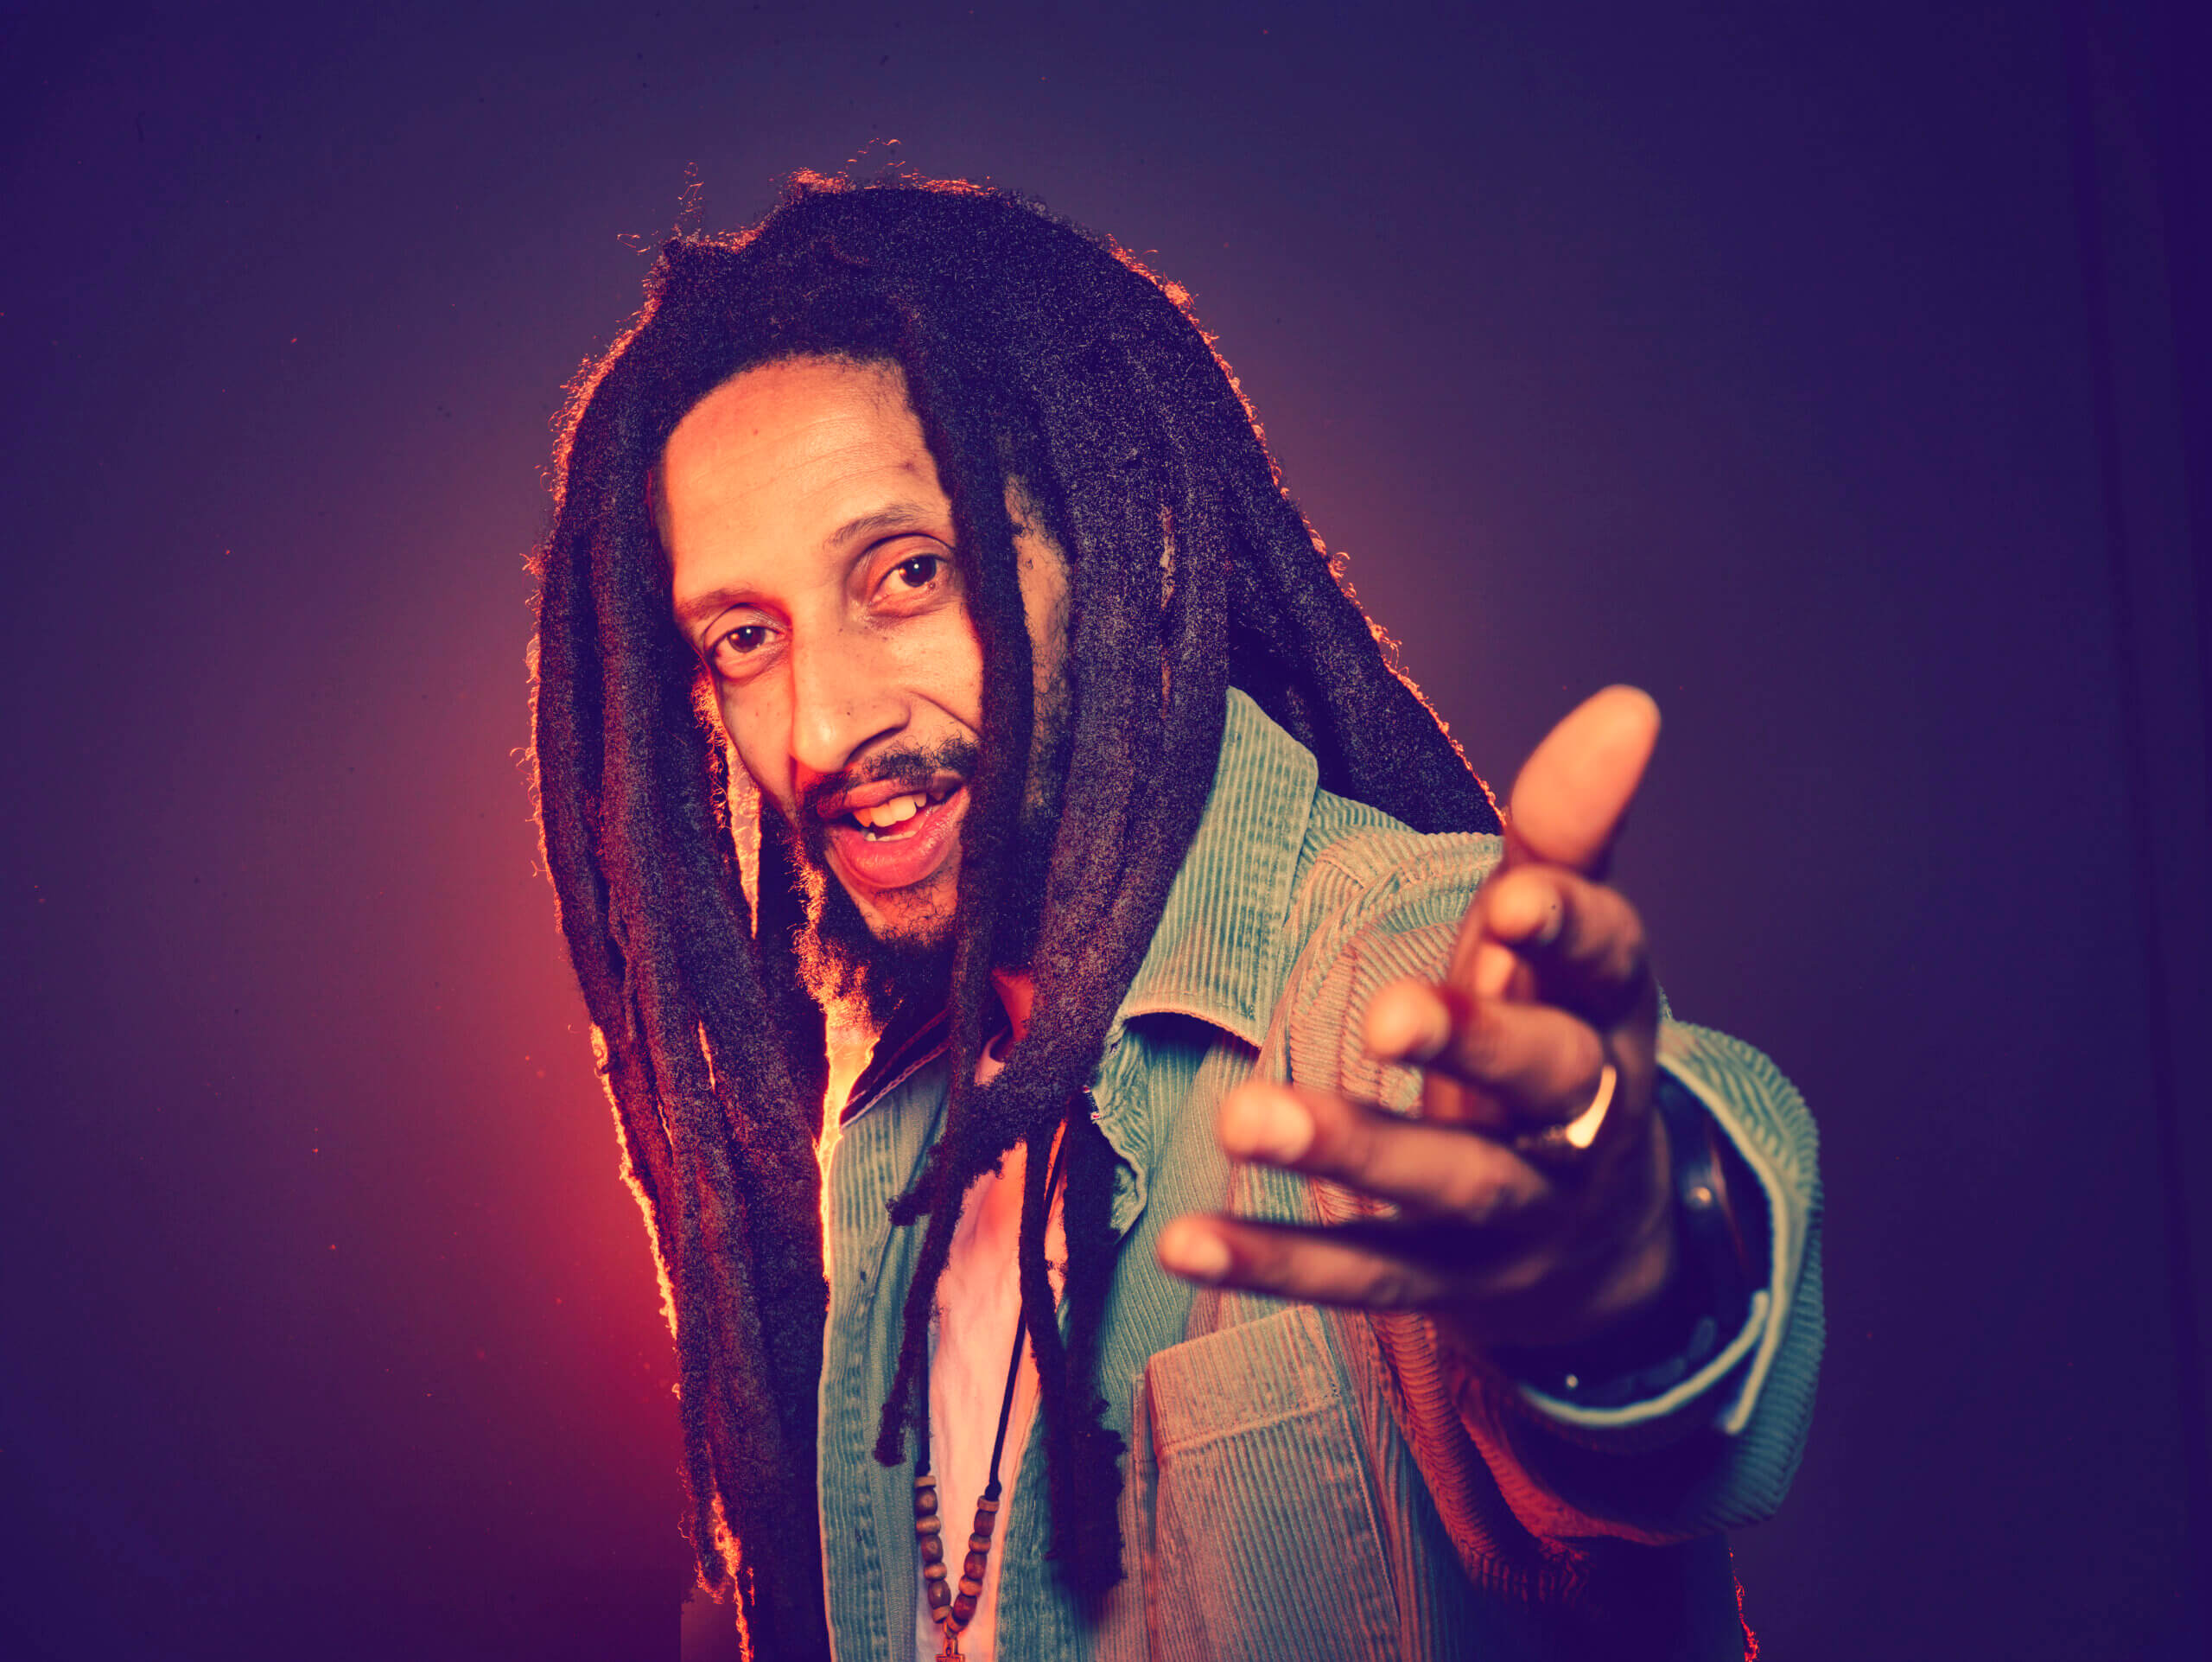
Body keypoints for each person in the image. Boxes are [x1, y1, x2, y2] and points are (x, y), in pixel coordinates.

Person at [530, 174, 1821, 1661]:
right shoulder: (891, 1156)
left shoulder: (1383, 979)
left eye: (908, 573)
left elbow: (1650, 1318)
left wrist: (1613, 1256)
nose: (822, 729)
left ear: (1124, 537)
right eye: (748, 638)